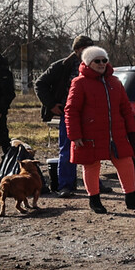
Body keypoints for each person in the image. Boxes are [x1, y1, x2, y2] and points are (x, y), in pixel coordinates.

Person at [64, 46, 135, 215]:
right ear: (88, 63)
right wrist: (75, 135)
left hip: (116, 133)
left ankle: (131, 198)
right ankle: (94, 200)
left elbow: (125, 108)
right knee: (91, 166)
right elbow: (71, 110)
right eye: (97, 61)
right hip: (90, 134)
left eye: (104, 60)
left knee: (126, 162)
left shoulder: (115, 82)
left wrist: (131, 130)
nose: (102, 63)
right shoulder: (79, 83)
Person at [35, 35, 96, 195]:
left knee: (92, 148)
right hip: (69, 112)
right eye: (85, 48)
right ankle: (65, 185)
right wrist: (51, 105)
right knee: (68, 149)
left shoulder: (96, 65)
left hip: (90, 112)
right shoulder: (62, 66)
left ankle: (95, 183)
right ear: (77, 50)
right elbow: (40, 83)